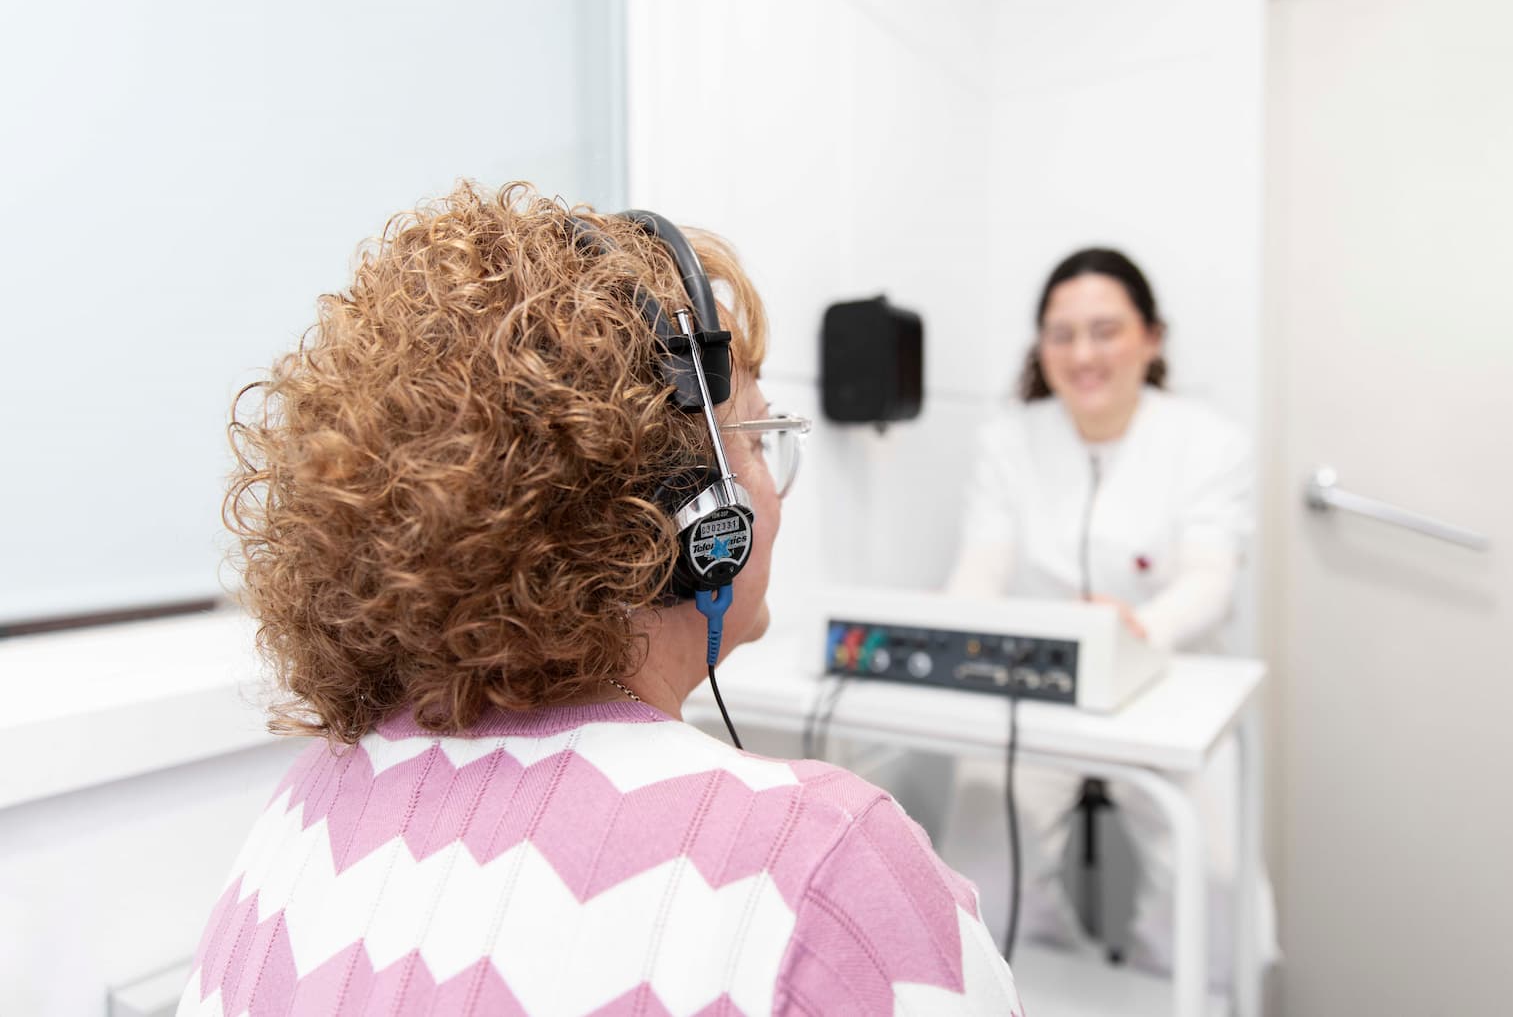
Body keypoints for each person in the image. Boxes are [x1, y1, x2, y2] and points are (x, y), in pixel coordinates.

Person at [179, 183, 1021, 1016]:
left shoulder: (305, 811)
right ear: (693, 510)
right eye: (760, 437)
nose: (780, 490)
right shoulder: (829, 875)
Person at [942, 247, 1270, 986]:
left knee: (1215, 880)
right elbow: (981, 566)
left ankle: (1192, 995)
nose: (1082, 353)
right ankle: (1025, 992)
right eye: (1061, 334)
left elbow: (1210, 580)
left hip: (1170, 684)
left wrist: (1137, 632)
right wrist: (959, 638)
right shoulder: (1008, 441)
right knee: (984, 866)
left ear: (1151, 338)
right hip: (1036, 686)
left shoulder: (1208, 442)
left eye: (1105, 330)